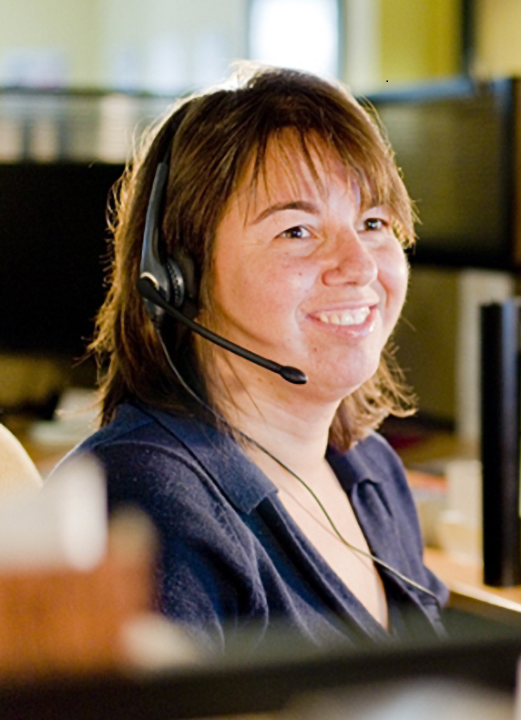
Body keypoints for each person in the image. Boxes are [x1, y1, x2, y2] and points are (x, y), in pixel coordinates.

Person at [54, 65, 448, 652]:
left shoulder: (370, 470)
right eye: (296, 230)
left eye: (372, 223)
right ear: (177, 277)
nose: (360, 265)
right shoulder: (147, 501)